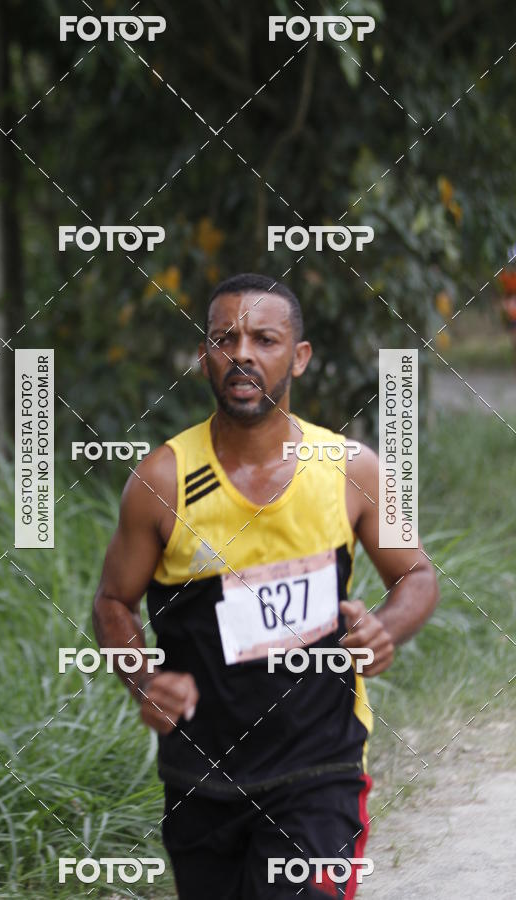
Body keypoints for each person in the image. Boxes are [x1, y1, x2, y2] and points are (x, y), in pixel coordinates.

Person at [92, 272, 439, 898]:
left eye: (265, 338)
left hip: (322, 767)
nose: (243, 353)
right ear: (204, 357)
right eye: (225, 338)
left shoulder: (349, 470)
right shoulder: (162, 480)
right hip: (202, 776)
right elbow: (114, 600)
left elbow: (415, 573)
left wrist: (384, 629)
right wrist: (143, 678)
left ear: (298, 357)